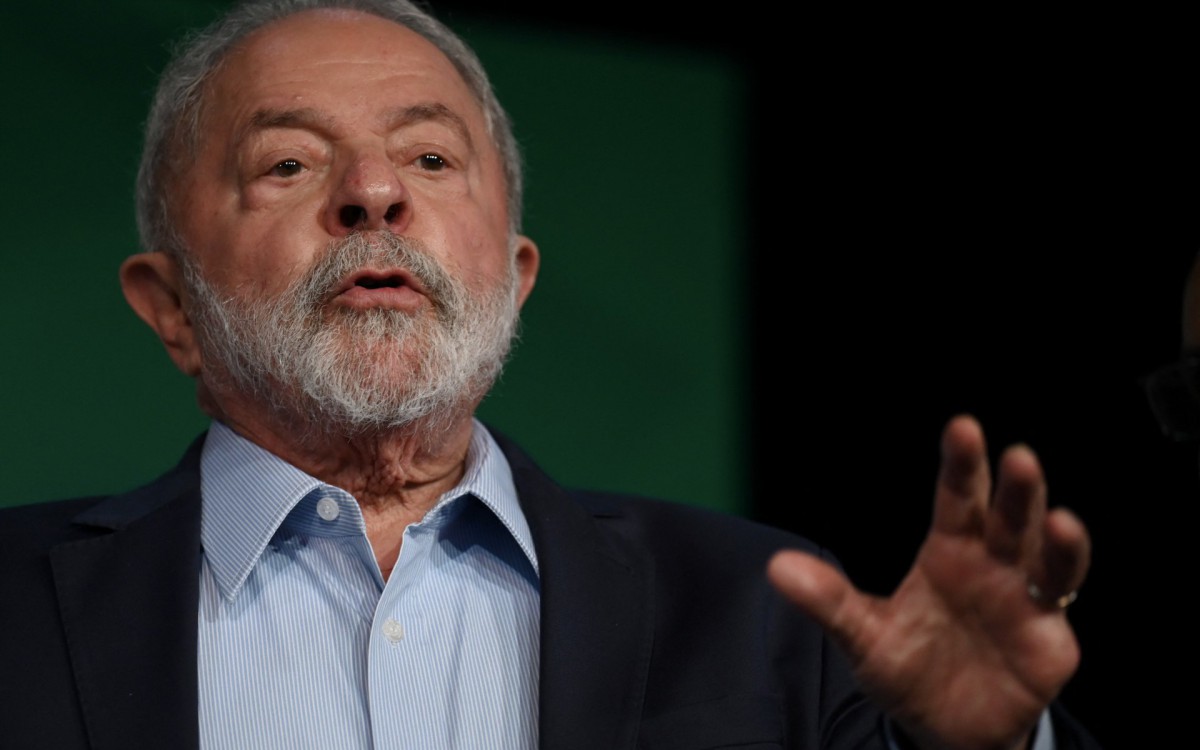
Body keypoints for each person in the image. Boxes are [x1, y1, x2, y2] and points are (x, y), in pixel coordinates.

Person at [0, 1, 1099, 748]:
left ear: (513, 278)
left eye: (432, 159)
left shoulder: (770, 619)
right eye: (288, 163)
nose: (376, 192)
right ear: (172, 308)